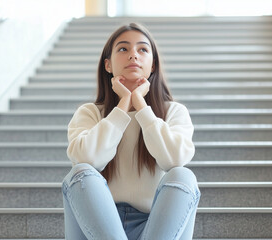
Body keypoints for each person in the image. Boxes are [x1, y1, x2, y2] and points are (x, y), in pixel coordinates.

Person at [61, 22, 200, 240]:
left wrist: (142, 108)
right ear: (108, 65)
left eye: (142, 49)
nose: (133, 55)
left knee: (183, 175)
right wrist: (123, 105)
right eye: (123, 49)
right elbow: (87, 159)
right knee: (80, 175)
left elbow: (174, 159)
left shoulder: (174, 112)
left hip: (156, 229)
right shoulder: (89, 113)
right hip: (96, 228)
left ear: (152, 65)